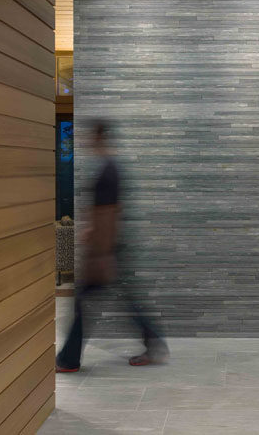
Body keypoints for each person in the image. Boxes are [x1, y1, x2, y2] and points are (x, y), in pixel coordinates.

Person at [56, 120, 168, 372]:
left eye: (89, 136)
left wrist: (101, 253)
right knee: (123, 299)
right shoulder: (110, 168)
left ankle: (68, 359)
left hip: (104, 250)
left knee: (84, 302)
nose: (85, 141)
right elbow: (106, 212)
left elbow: (109, 213)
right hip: (108, 246)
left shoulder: (107, 171)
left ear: (100, 137)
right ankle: (154, 343)